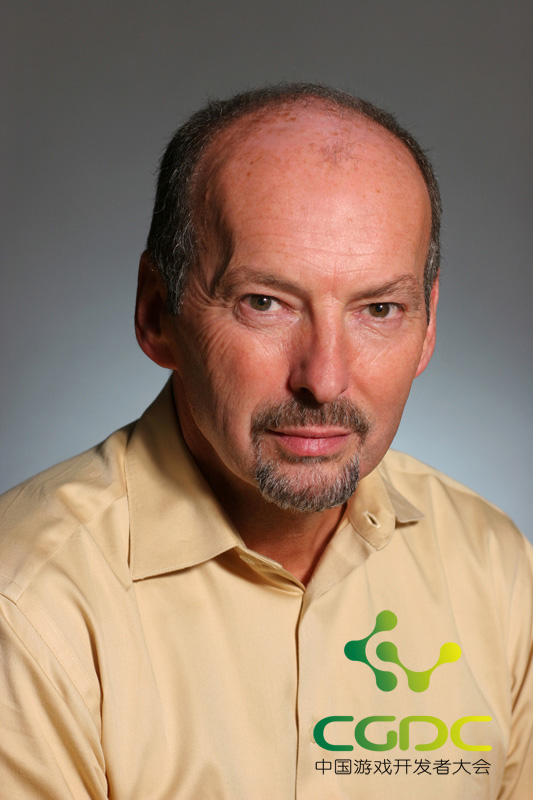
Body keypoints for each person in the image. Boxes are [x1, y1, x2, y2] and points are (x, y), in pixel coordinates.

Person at [0, 83, 531, 799]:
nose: (324, 379)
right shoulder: (26, 606)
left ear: (428, 325)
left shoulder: (496, 569)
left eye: (378, 309)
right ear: (157, 312)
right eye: (265, 303)